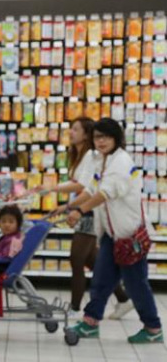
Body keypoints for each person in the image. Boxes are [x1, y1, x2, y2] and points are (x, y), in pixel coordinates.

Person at [57, 118, 163, 344]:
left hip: (128, 235)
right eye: (97, 137)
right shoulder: (101, 161)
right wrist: (70, 206)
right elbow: (91, 189)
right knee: (101, 280)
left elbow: (105, 193)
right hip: (110, 235)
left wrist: (79, 211)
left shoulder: (121, 162)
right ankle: (90, 322)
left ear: (116, 138)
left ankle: (153, 328)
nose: (101, 141)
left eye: (106, 137)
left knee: (136, 285)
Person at [42, 117, 132, 319]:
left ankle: (75, 309)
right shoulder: (84, 155)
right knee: (91, 261)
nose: (70, 133)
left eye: (75, 129)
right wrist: (65, 203)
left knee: (77, 259)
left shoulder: (93, 155)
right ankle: (124, 299)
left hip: (90, 211)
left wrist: (63, 199)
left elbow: (87, 188)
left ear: (86, 134)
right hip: (84, 209)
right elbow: (86, 186)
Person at [0, 205, 24, 284]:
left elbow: (4, 257)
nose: (7, 225)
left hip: (2, 273)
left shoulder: (13, 240)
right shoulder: (8, 237)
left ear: (18, 224)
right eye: (3, 221)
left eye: (11, 222)